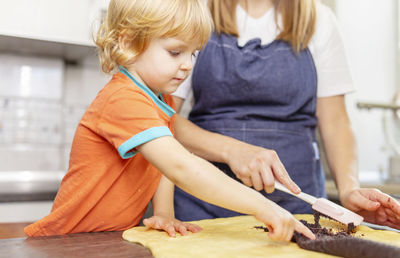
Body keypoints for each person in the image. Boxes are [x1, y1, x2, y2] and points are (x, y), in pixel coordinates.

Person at [24, 0, 315, 242]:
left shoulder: (159, 101)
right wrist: (263, 207)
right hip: (70, 242)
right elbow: (181, 167)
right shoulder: (124, 100)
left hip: (107, 240)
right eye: (175, 52)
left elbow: (162, 164)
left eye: (193, 53)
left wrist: (163, 213)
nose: (188, 64)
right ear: (128, 41)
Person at [170, 0, 400, 229]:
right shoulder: (195, 12)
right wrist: (231, 151)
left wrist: (349, 188)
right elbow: (161, 117)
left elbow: (335, 123)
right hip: (201, 204)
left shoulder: (319, 20)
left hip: (297, 209)